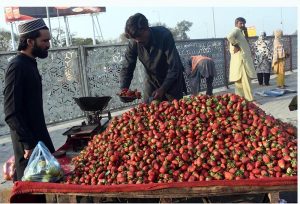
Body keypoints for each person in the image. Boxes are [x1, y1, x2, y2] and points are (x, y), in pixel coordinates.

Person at [3, 18, 55, 181]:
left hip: (38, 142)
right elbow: (11, 112)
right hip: (29, 149)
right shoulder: (17, 66)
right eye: (44, 40)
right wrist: (28, 144)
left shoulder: (30, 64)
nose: (48, 45)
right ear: (30, 41)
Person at [119, 13, 187, 103]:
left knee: (174, 110)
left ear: (147, 29)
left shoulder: (164, 35)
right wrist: (123, 90)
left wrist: (163, 89)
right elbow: (127, 67)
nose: (137, 41)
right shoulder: (134, 42)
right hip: (151, 80)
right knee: (148, 109)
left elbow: (174, 66)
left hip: (171, 79)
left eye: (139, 37)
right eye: (134, 39)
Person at [227, 17, 256, 102]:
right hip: (242, 62)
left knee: (239, 83)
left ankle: (239, 100)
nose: (243, 25)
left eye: (244, 24)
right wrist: (236, 45)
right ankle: (250, 100)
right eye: (241, 23)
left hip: (239, 62)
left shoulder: (240, 32)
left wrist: (246, 32)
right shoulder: (236, 30)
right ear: (236, 24)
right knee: (246, 82)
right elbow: (229, 36)